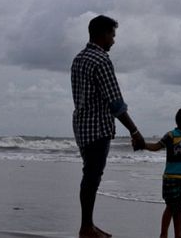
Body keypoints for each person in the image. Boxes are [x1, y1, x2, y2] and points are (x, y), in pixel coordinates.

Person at [71, 15, 146, 238]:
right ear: (102, 34)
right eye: (112, 35)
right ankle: (86, 227)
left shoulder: (79, 58)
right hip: (97, 126)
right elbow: (115, 102)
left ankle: (88, 225)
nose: (114, 40)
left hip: (81, 125)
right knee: (92, 177)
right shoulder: (101, 60)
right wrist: (135, 131)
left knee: (90, 175)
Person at [144, 107, 181, 238]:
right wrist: (143, 144)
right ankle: (163, 234)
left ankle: (178, 235)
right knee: (170, 207)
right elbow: (156, 146)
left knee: (179, 208)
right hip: (171, 178)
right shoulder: (171, 135)